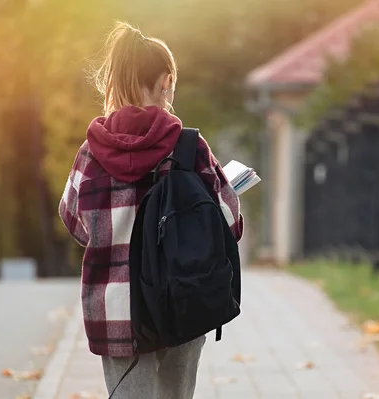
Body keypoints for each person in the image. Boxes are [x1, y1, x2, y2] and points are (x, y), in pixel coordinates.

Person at [58, 21, 243, 399]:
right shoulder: (189, 147)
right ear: (166, 81)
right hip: (182, 302)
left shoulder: (90, 152)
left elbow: (74, 220)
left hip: (115, 314)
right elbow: (230, 221)